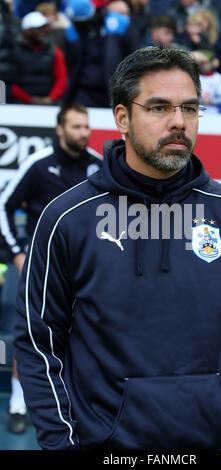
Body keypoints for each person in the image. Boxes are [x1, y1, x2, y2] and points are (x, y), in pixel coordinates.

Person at [14, 46, 221, 451]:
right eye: (159, 107)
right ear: (122, 117)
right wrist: (62, 445)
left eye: (190, 108)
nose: (178, 122)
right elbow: (37, 341)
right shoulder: (67, 218)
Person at [0, 102, 102, 434]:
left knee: (84, 338)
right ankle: (18, 405)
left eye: (86, 126)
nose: (83, 133)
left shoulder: (99, 168)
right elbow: (3, 205)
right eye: (75, 127)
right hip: (40, 267)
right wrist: (16, 252)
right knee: (31, 336)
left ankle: (76, 406)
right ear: (60, 130)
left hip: (85, 271)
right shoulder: (39, 164)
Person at [63, 0, 140, 107]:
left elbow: (134, 55)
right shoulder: (72, 30)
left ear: (94, 12)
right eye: (75, 22)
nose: (77, 25)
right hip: (83, 90)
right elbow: (70, 62)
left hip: (113, 87)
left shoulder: (120, 23)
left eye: (81, 21)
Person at [11, 11, 67, 106]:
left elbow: (61, 79)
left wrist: (51, 99)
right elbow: (6, 81)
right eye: (38, 28)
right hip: (18, 104)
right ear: (27, 30)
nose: (43, 31)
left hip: (50, 104)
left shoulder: (54, 51)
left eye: (44, 28)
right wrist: (29, 99)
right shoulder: (12, 51)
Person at [191, 49, 221, 113]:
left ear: (212, 63)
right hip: (196, 111)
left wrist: (211, 100)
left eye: (206, 63)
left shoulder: (217, 77)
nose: (203, 65)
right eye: (201, 63)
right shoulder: (194, 76)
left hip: (213, 111)